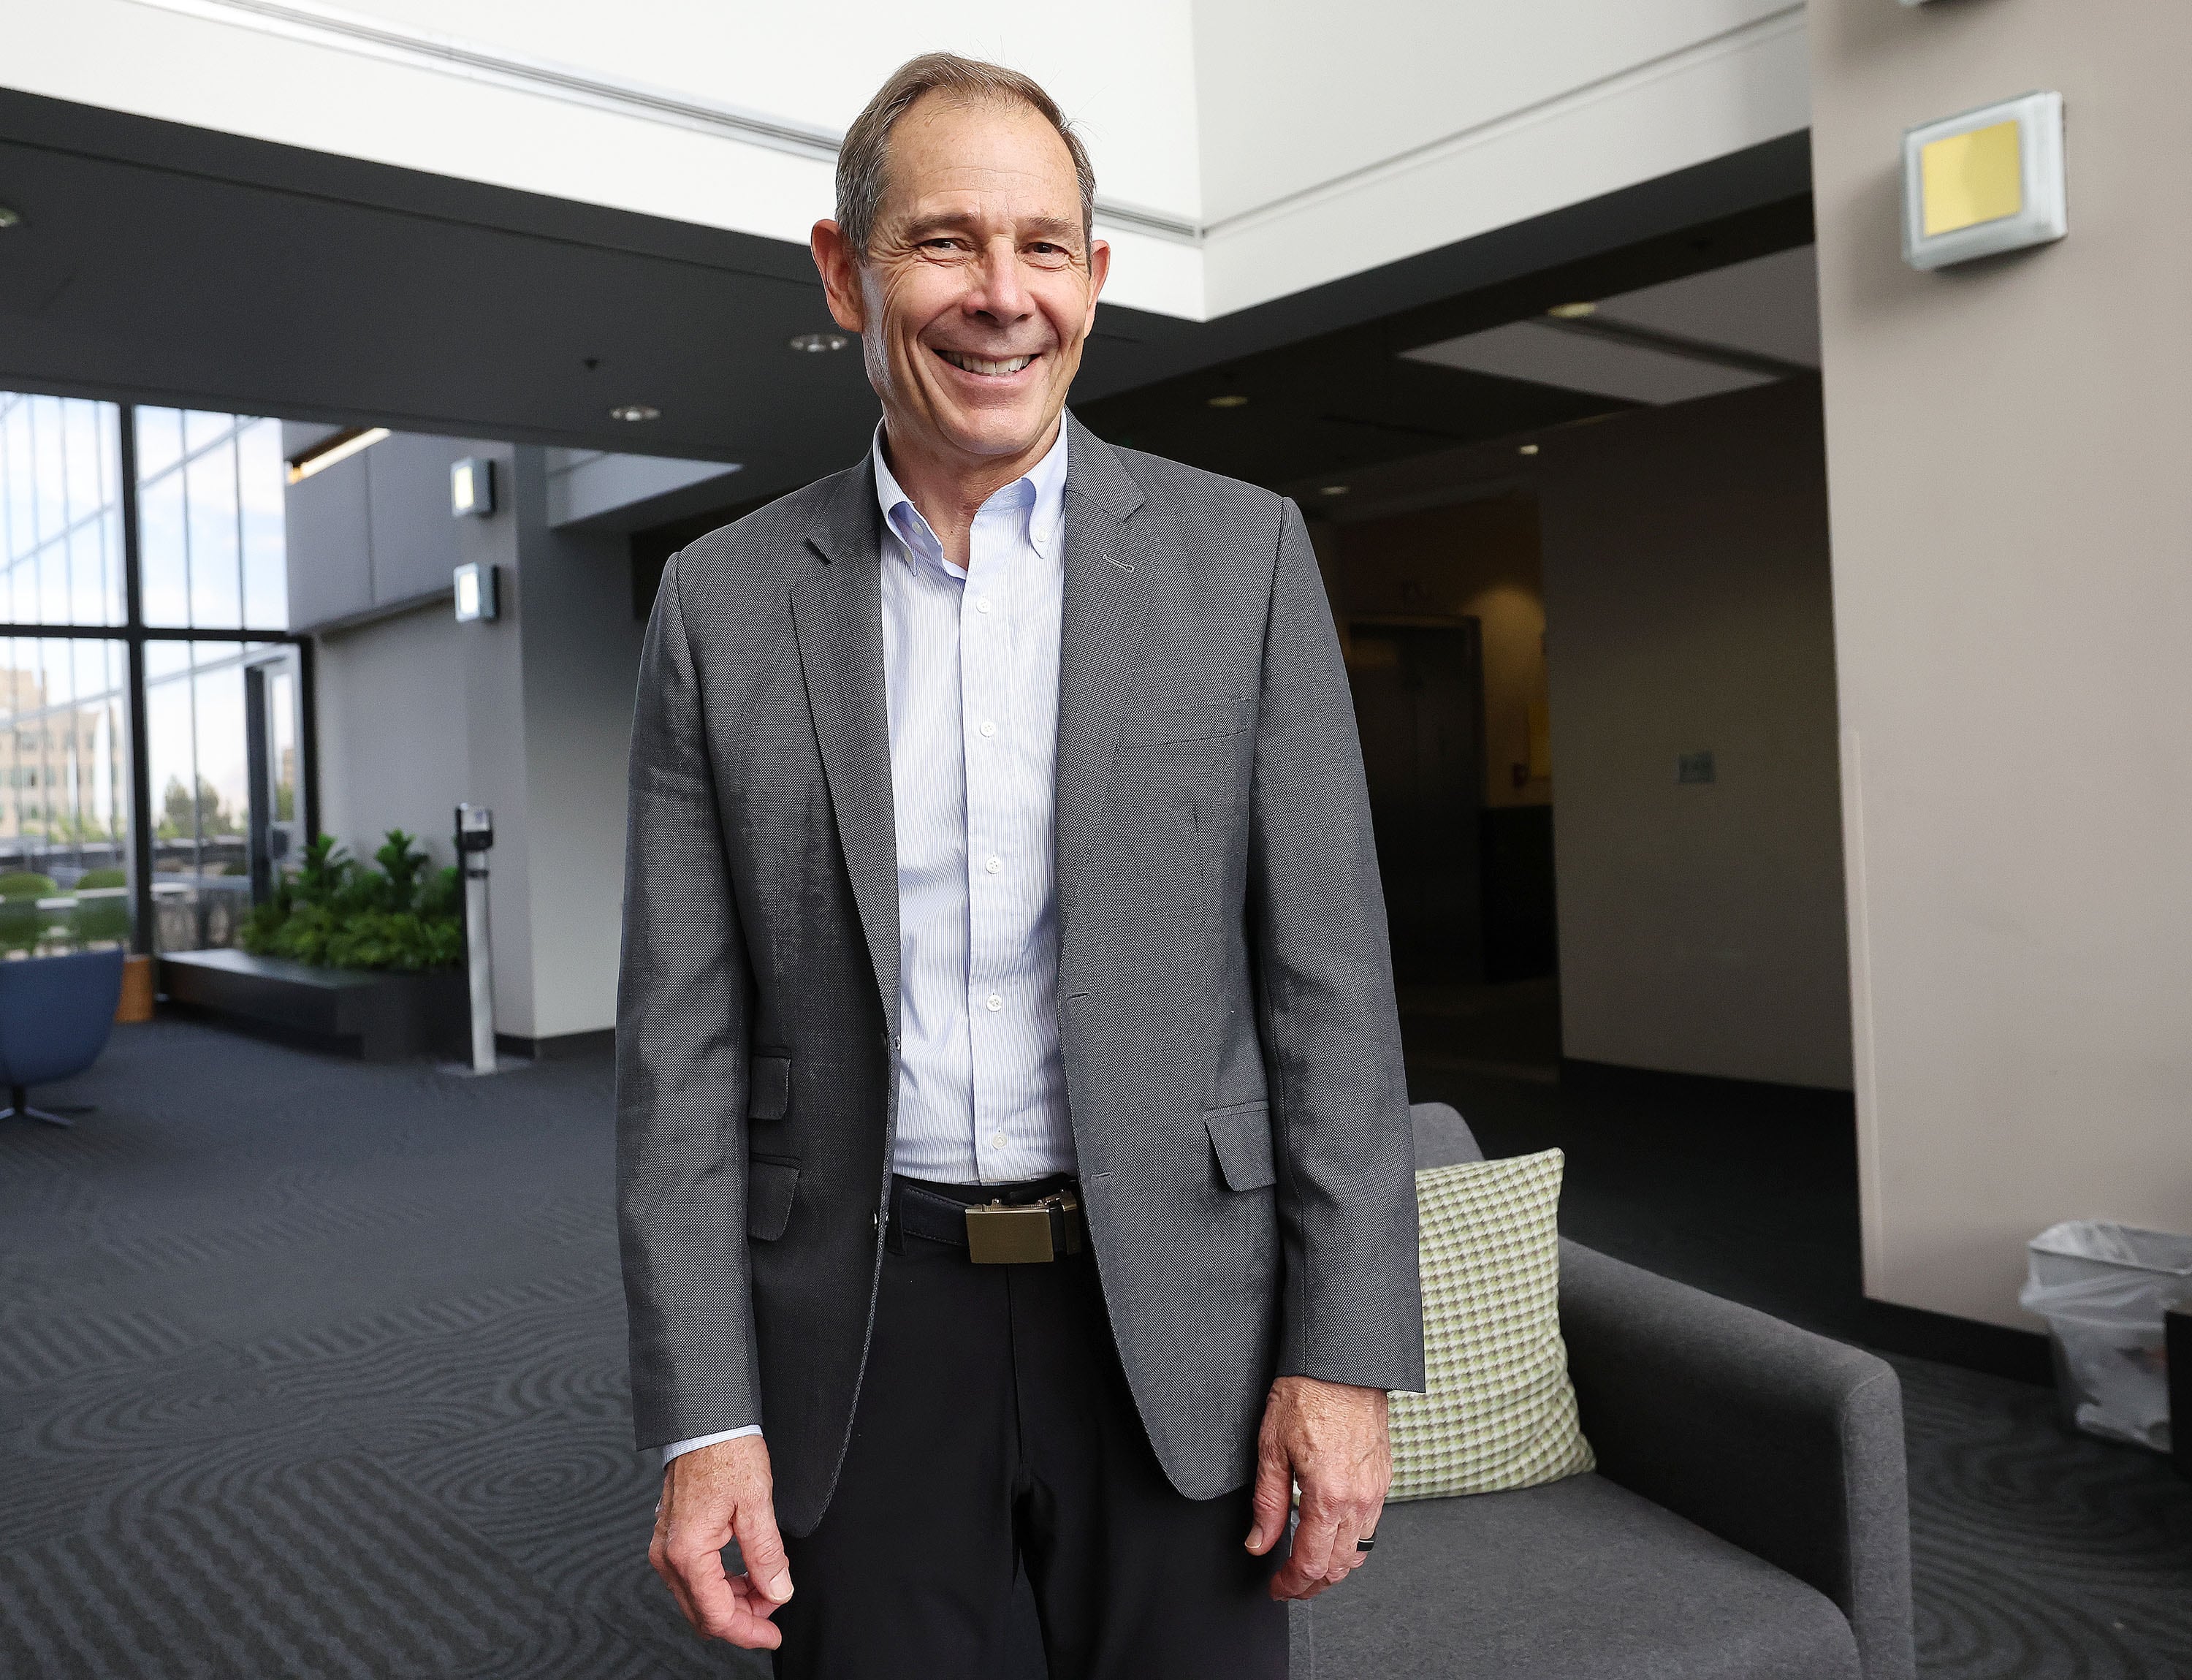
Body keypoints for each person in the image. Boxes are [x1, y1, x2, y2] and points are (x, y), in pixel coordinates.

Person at [616, 50, 1423, 1679]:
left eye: (1045, 248)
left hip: (1180, 1328)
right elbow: (679, 1062)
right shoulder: (720, 605)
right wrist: (703, 1416)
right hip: (860, 1330)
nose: (1003, 298)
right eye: (945, 242)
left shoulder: (1242, 558)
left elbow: (1330, 994)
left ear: (1098, 281)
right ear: (844, 273)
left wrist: (1343, 1359)